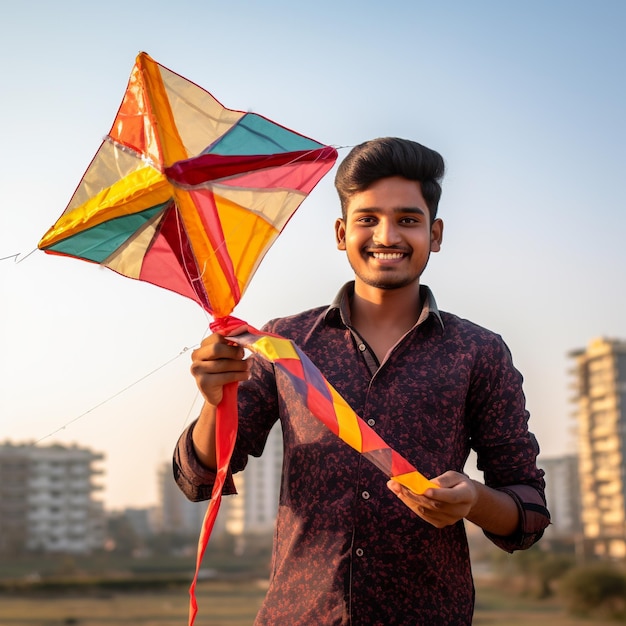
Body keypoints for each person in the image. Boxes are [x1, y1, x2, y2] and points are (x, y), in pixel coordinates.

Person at [173, 137, 550, 625]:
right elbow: (202, 476)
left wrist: (474, 501)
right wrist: (214, 400)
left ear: (434, 234)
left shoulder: (478, 351)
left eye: (407, 220)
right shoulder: (283, 342)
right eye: (368, 218)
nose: (387, 235)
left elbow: (528, 510)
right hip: (300, 614)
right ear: (340, 232)